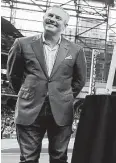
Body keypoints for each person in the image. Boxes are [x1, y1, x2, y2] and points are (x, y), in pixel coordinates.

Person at [7, 5, 86, 163]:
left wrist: (63, 96)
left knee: (59, 158)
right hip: (29, 108)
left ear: (65, 26)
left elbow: (80, 80)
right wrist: (27, 92)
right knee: (28, 159)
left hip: (61, 111)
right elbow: (13, 75)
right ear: (43, 18)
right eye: (50, 15)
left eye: (58, 18)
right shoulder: (22, 43)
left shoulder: (76, 50)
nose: (53, 20)